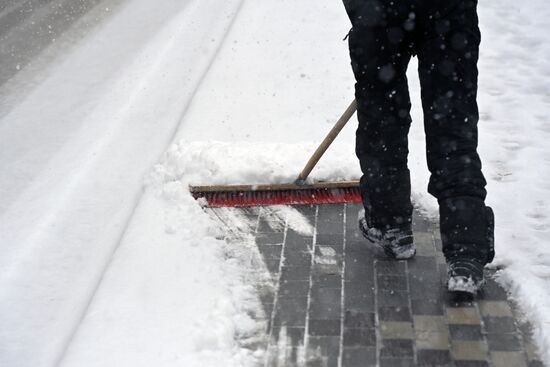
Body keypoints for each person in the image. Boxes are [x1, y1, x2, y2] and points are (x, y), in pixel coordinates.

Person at [342, 0, 494, 294]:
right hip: (449, 14)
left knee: (382, 120)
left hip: (381, 11)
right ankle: (465, 252)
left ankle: (390, 224)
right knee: (452, 125)